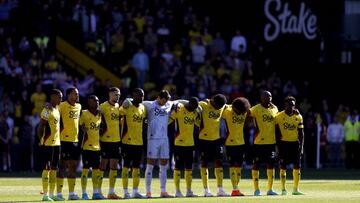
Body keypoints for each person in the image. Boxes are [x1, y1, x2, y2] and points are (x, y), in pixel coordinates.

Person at [122, 90, 182, 198]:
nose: (165, 103)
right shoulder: (148, 105)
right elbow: (134, 101)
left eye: (166, 101)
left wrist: (185, 103)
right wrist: (127, 100)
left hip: (164, 139)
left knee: (164, 165)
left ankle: (163, 191)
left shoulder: (168, 104)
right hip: (152, 139)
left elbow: (179, 101)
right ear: (158, 97)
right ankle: (148, 191)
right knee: (150, 165)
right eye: (163, 100)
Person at [168, 97, 200, 197]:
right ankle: (177, 191)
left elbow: (199, 124)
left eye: (195, 108)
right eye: (192, 107)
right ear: (189, 103)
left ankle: (189, 191)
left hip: (190, 144)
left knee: (189, 168)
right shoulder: (179, 109)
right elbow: (168, 120)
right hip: (179, 143)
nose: (193, 109)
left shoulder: (195, 113)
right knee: (177, 167)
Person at [198, 94, 228, 197]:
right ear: (213, 101)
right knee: (204, 163)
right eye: (217, 106)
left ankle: (220, 189)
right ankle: (206, 190)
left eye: (220, 107)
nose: (218, 108)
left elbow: (229, 106)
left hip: (216, 139)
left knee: (219, 162)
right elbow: (190, 104)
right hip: (203, 139)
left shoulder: (222, 105)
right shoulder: (203, 105)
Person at [249, 90, 278, 196]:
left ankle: (270, 189)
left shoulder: (275, 109)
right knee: (256, 164)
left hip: (271, 142)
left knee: (271, 165)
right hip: (259, 142)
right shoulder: (255, 109)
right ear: (261, 98)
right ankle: (256, 189)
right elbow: (246, 116)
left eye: (270, 96)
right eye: (266, 96)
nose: (269, 98)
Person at [119, 88, 146, 198]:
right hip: (127, 142)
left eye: (143, 95)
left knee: (136, 168)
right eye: (140, 95)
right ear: (134, 96)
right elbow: (119, 113)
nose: (142, 97)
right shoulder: (126, 106)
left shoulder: (143, 108)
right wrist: (125, 101)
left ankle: (135, 191)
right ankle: (126, 192)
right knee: (126, 167)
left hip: (138, 142)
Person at [56, 87, 82, 201]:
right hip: (63, 141)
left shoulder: (79, 106)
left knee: (73, 167)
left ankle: (71, 194)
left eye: (77, 94)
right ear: (68, 95)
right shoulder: (61, 106)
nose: (77, 96)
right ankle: (59, 194)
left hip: (75, 141)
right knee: (61, 166)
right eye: (75, 94)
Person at [275, 96, 305, 195]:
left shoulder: (298, 117)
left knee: (297, 167)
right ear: (285, 105)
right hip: (284, 144)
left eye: (292, 105)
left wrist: (301, 147)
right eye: (289, 105)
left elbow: (301, 133)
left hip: (295, 144)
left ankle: (296, 189)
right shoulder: (278, 116)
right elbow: (276, 132)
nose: (291, 107)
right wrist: (277, 146)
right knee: (283, 166)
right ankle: (283, 189)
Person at [221, 97, 251, 196]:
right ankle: (235, 189)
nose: (240, 113)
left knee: (239, 167)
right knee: (232, 166)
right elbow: (222, 107)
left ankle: (236, 188)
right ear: (234, 107)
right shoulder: (227, 112)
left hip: (241, 143)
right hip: (230, 143)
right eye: (238, 111)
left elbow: (251, 111)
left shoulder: (244, 112)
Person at [37, 89, 62, 201]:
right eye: (59, 97)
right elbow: (40, 127)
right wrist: (41, 140)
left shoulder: (57, 109)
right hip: (47, 144)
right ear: (52, 97)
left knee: (54, 169)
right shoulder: (46, 110)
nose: (61, 99)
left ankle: (52, 194)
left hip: (56, 143)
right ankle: (45, 195)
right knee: (46, 168)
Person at [98, 87, 122, 199]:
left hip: (116, 140)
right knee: (102, 166)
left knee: (114, 167)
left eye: (118, 95)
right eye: (115, 94)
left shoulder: (119, 107)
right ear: (109, 94)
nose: (117, 96)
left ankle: (111, 192)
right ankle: (98, 191)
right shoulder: (102, 107)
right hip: (105, 141)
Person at [79, 95, 102, 200]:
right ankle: (84, 193)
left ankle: (96, 193)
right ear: (89, 102)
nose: (97, 102)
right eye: (94, 101)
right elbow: (79, 126)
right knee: (85, 170)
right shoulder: (83, 113)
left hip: (97, 147)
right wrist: (82, 129)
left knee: (96, 171)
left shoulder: (100, 114)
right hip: (87, 147)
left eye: (97, 100)